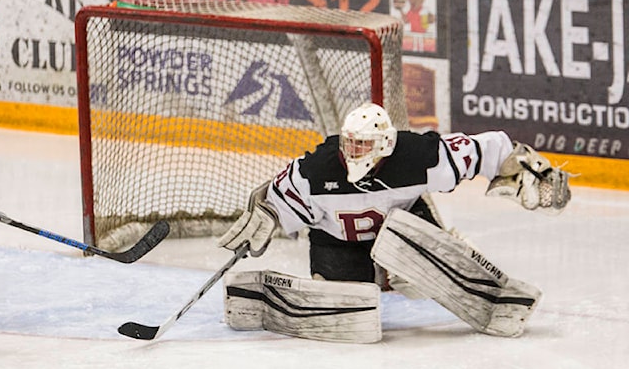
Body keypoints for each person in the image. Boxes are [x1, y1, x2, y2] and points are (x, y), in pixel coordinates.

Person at [218, 102, 572, 285]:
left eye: (362, 144)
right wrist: (267, 213)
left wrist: (522, 169)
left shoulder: (417, 156)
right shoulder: (317, 168)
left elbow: (486, 149)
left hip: (404, 229)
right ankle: (370, 276)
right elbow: (276, 197)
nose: (352, 151)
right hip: (336, 242)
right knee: (347, 298)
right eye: (349, 142)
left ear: (384, 144)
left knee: (418, 276)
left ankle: (442, 256)